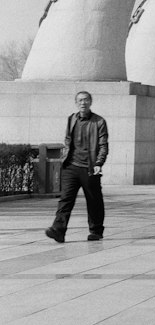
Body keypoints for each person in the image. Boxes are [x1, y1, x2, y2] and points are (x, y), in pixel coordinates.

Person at [46, 91, 108, 243]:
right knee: (65, 199)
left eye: (86, 100)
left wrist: (99, 163)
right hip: (71, 166)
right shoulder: (72, 119)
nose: (83, 103)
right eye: (80, 100)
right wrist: (65, 158)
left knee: (94, 200)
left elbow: (103, 145)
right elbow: (68, 140)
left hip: (89, 167)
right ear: (76, 103)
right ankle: (58, 230)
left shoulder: (99, 121)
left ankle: (96, 230)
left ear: (90, 102)